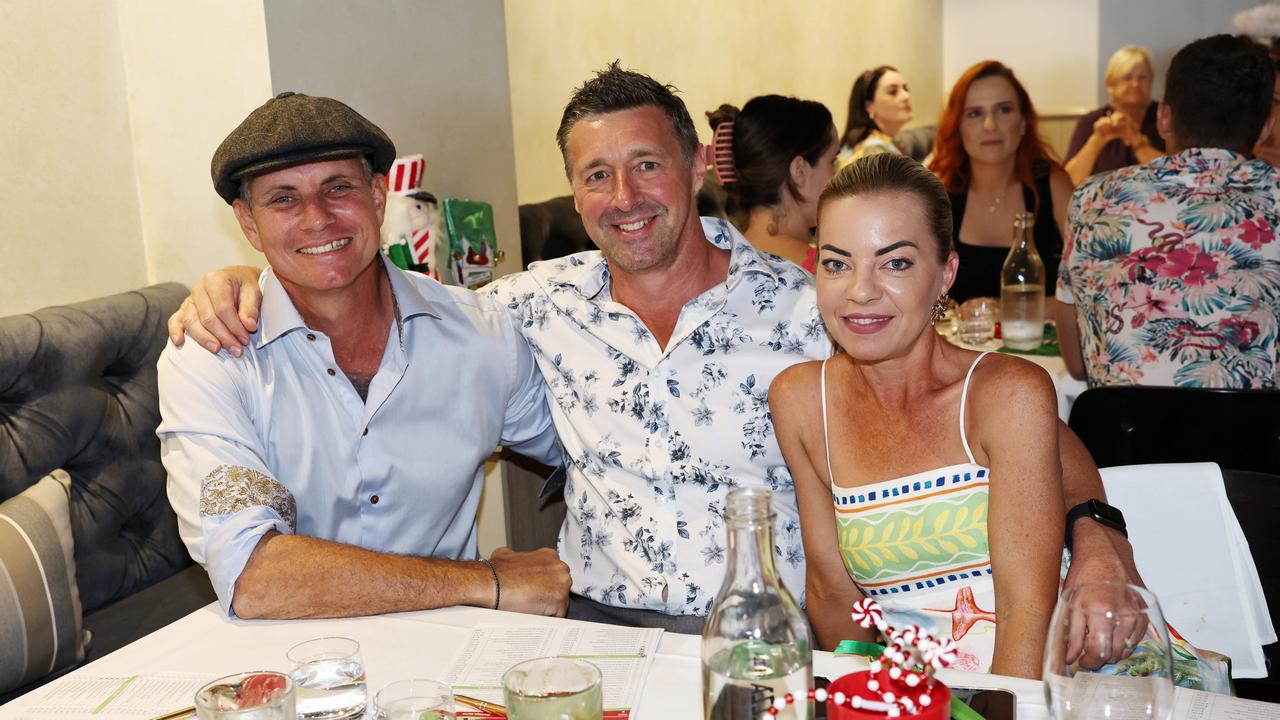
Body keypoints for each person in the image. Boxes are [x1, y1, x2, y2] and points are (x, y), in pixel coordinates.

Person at [168, 65, 1145, 637]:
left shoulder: (811, 301)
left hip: (774, 638)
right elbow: (357, 296)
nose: (623, 196)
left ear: (693, 167)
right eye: (595, 174)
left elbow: (993, 400)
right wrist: (236, 288)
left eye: (645, 164)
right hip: (592, 625)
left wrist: (1096, 534)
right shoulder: (517, 314)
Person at [158, 92, 571, 620]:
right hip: (289, 666)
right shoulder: (211, 358)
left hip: (455, 660)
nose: (317, 219)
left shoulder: (483, 336)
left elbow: (594, 449)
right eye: (283, 199)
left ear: (379, 198)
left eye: (338, 188)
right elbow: (254, 578)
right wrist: (483, 581)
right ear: (248, 223)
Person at [770, 153, 1065, 678]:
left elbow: (1028, 616)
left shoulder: (1006, 394)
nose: (860, 291)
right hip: (924, 690)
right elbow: (833, 591)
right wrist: (859, 698)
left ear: (945, 273)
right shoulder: (800, 400)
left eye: (896, 263)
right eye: (837, 263)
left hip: (1054, 681)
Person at [1057, 34, 1280, 388]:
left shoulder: (1093, 198)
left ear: (1163, 119)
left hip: (1126, 438)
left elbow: (1077, 363)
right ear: (1267, 125)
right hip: (1259, 441)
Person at [928, 61, 1073, 304]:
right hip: (958, 340)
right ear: (958, 126)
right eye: (975, 113)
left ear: (1024, 122)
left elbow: (1088, 286)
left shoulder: (1053, 184)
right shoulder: (939, 194)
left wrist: (1002, 311)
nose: (990, 125)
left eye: (1003, 110)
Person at [706, 95, 839, 271]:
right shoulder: (829, 275)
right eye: (833, 161)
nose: (838, 174)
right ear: (799, 171)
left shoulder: (720, 268)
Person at [1063, 46, 1165, 185]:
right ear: (1110, 84)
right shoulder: (1091, 121)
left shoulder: (1165, 118)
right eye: (1127, 78)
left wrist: (1136, 142)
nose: (1135, 84)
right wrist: (1097, 140)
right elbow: (1069, 182)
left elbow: (1175, 177)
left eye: (1143, 78)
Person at [835, 66, 912, 170]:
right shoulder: (875, 151)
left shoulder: (865, 143)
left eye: (905, 89)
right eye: (893, 92)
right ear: (869, 106)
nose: (906, 96)